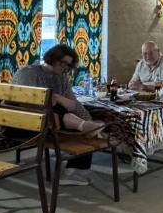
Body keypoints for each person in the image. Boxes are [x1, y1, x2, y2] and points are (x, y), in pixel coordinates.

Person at [13, 44, 104, 175]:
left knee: (69, 114)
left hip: (52, 122)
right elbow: (29, 104)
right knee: (56, 107)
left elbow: (73, 104)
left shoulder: (62, 79)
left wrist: (88, 118)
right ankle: (84, 127)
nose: (65, 67)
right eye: (63, 62)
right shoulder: (28, 73)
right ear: (53, 58)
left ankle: (74, 168)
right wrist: (56, 100)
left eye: (68, 65)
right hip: (24, 121)